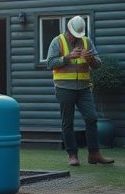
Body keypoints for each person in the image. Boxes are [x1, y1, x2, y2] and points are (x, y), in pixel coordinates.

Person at [46, 15, 115, 167]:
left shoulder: (87, 41)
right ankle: (72, 155)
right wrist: (67, 57)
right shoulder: (57, 41)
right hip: (64, 88)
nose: (74, 38)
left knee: (91, 119)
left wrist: (90, 59)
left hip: (84, 88)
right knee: (67, 122)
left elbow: (98, 64)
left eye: (78, 35)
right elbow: (50, 63)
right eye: (73, 34)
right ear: (68, 30)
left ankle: (94, 154)